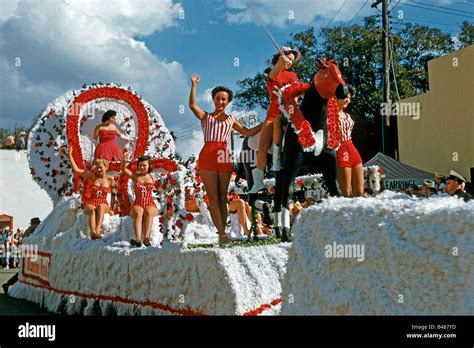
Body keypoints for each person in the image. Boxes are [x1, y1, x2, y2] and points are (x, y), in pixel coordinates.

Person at [189, 74, 262, 245]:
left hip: (223, 155)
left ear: (228, 102)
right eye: (218, 98)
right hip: (207, 154)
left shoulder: (231, 119)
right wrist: (194, 85)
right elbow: (192, 105)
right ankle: (221, 234)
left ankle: (224, 231)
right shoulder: (206, 117)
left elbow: (248, 132)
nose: (221, 102)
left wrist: (267, 123)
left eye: (224, 99)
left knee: (223, 198)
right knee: (213, 197)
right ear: (213, 99)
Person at [250, 47, 301, 193]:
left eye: (292, 60)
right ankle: (258, 182)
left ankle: (281, 161)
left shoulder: (292, 75)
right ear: (280, 57)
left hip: (289, 111)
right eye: (288, 58)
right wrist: (280, 63)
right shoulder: (268, 71)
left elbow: (295, 93)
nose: (290, 62)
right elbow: (272, 76)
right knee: (263, 146)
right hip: (273, 112)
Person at [67, 146, 115, 239]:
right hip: (92, 202)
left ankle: (97, 230)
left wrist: (112, 208)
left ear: (106, 167)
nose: (99, 170)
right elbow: (77, 170)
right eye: (97, 168)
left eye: (101, 168)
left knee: (100, 207)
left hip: (103, 203)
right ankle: (92, 232)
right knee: (93, 211)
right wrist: (70, 155)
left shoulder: (110, 180)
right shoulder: (92, 176)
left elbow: (114, 195)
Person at [121, 152, 158, 247]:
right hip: (138, 203)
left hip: (150, 203)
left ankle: (146, 238)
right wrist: (124, 160)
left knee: (148, 212)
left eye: (144, 165)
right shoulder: (135, 176)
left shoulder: (153, 178)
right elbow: (123, 169)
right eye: (140, 165)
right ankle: (137, 239)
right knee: (139, 212)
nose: (141, 167)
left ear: (149, 166)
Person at [334, 84, 364, 197]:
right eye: (346, 97)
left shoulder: (347, 115)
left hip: (352, 149)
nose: (348, 100)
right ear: (336, 98)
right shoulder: (329, 115)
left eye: (350, 98)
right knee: (345, 193)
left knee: (360, 192)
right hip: (341, 150)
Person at [2, 218, 40, 294]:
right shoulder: (29, 232)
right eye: (37, 224)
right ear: (33, 224)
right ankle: (8, 284)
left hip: (31, 253)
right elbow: (26, 242)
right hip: (29, 254)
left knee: (24, 272)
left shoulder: (32, 231)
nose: (38, 225)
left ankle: (9, 284)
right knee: (24, 272)